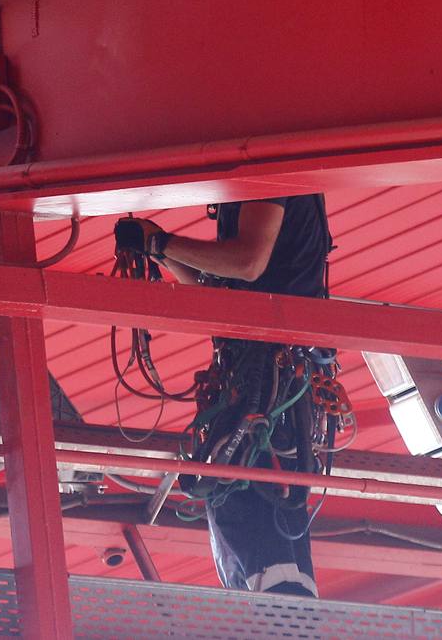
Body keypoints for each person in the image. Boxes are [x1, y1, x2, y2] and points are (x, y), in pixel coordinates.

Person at [117, 195, 337, 596]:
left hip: (273, 384)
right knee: (242, 501)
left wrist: (161, 246)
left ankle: (276, 613)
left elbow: (246, 264)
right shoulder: (261, 173)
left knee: (247, 504)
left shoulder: (269, 169)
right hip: (263, 383)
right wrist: (162, 251)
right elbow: (222, 286)